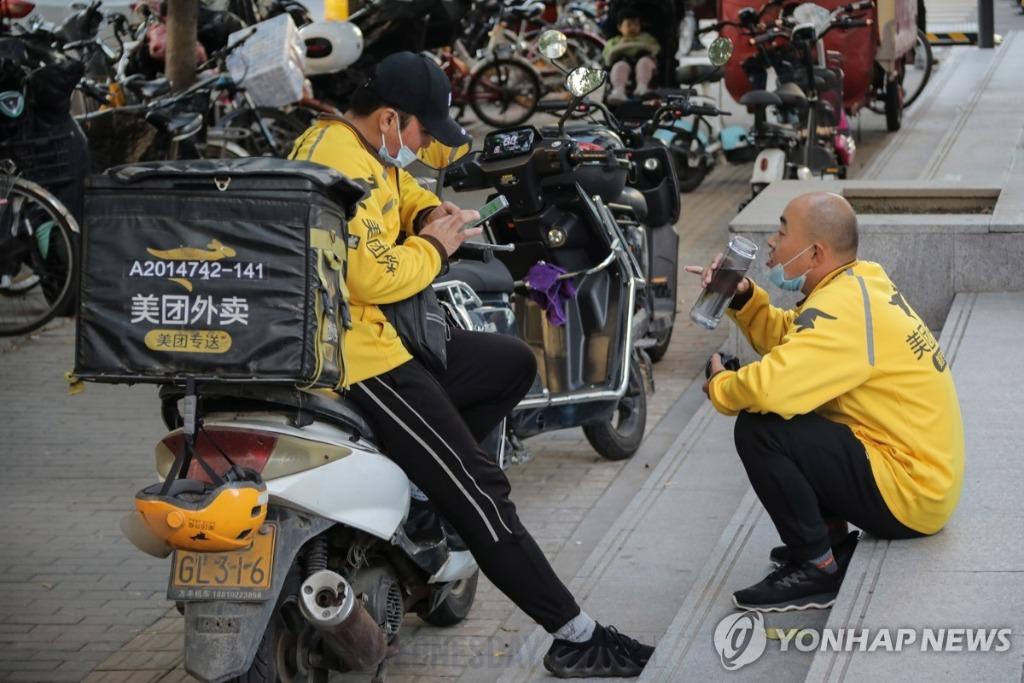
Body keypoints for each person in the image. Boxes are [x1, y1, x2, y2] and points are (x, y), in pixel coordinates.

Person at [289, 52, 655, 677]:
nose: (425, 144)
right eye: (421, 132)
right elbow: (372, 275)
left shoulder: (357, 146)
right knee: (480, 489)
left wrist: (429, 214)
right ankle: (574, 634)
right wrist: (435, 245)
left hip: (384, 342)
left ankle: (419, 496)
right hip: (358, 360)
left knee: (509, 362)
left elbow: (406, 190)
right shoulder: (335, 160)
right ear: (387, 119)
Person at [685, 192, 964, 612]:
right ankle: (829, 541)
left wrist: (722, 384)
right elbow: (798, 339)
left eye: (782, 230)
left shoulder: (845, 310)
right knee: (796, 407)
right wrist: (743, 296)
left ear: (815, 252)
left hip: (911, 492)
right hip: (920, 476)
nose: (772, 242)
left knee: (762, 429)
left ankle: (818, 565)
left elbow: (768, 389)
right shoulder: (857, 282)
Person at [603, 9, 662, 104]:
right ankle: (618, 91)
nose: (633, 27)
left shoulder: (646, 37)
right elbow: (607, 55)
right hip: (623, 62)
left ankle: (642, 88)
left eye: (636, 25)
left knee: (644, 62)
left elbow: (655, 49)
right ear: (619, 27)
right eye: (629, 25)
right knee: (619, 66)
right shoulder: (614, 41)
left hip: (643, 61)